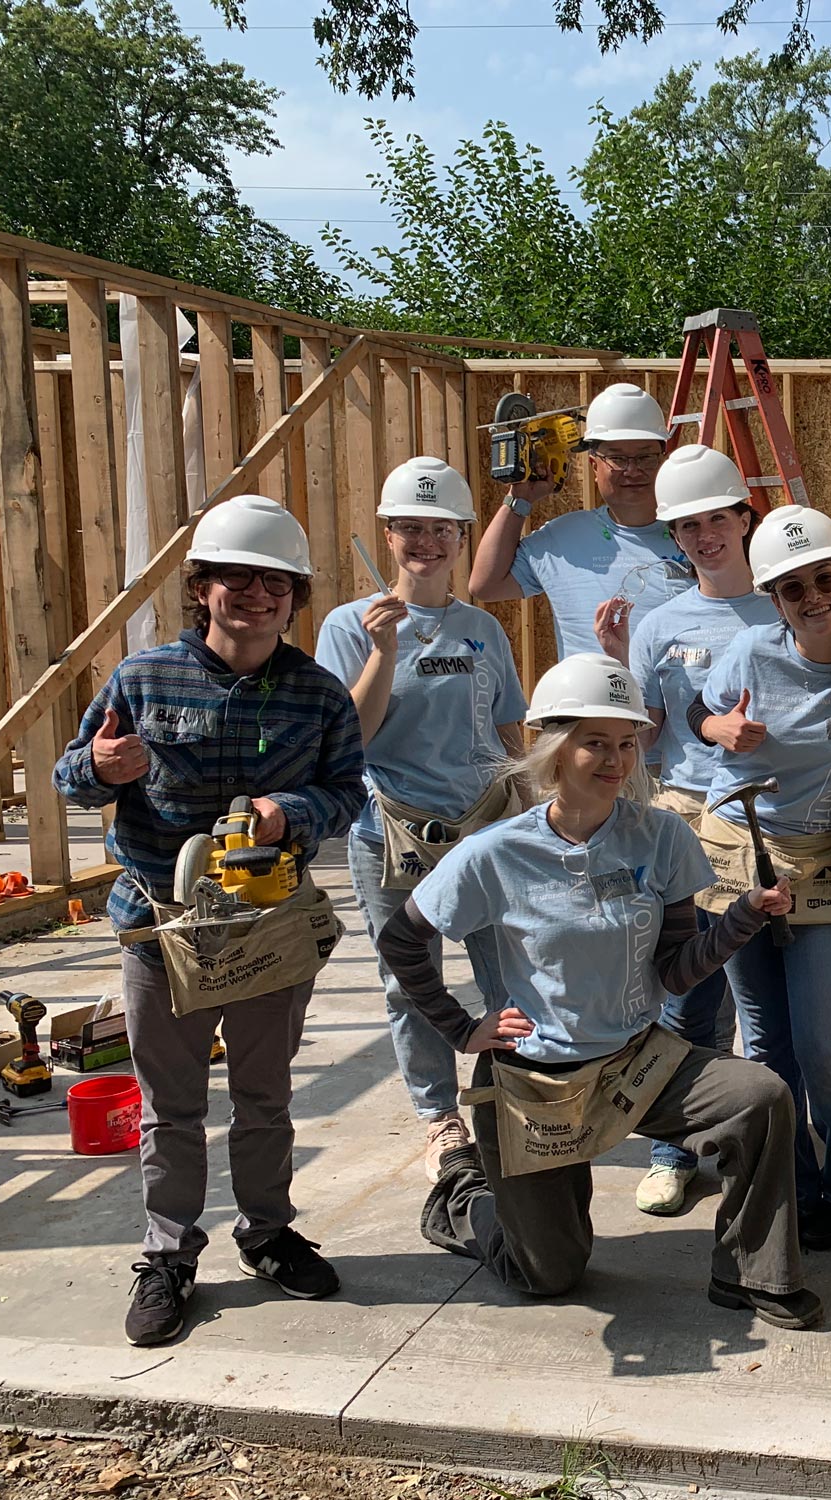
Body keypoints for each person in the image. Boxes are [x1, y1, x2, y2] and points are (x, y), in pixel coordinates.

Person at [373, 654, 820, 1328]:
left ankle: (751, 1274)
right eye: (595, 742)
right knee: (548, 1274)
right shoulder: (495, 852)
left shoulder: (660, 834)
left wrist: (744, 917)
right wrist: (463, 1029)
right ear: (552, 748)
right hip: (537, 1080)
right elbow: (401, 942)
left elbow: (673, 971)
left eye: (626, 742)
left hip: (637, 1061)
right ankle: (464, 1192)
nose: (617, 760)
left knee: (759, 1097)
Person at [53, 496, 366, 1348]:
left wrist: (291, 813)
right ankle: (167, 1253)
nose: (254, 595)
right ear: (202, 588)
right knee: (171, 1103)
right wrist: (101, 766)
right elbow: (69, 776)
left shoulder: (317, 692)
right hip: (161, 927)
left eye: (274, 582)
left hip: (266, 930)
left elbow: (349, 792)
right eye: (235, 578)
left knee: (264, 1095)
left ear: (295, 595)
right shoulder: (144, 678)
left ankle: (266, 1232)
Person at [314, 457, 527, 1184]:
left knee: (512, 969)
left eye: (440, 529)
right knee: (411, 980)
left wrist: (533, 815)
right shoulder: (353, 626)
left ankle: (512, 1089)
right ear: (388, 533)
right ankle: (441, 1116)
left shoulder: (481, 630)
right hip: (395, 837)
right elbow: (353, 737)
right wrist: (384, 650)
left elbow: (507, 735)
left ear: (462, 536)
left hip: (485, 830)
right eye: (409, 527)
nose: (424, 542)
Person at [596, 443, 776, 1217]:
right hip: (681, 824)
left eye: (716, 519)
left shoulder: (782, 606)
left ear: (745, 517)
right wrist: (618, 676)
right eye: (687, 527)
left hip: (766, 823)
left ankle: (749, 1145)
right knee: (683, 995)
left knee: (757, 999)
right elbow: (653, 730)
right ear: (673, 538)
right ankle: (670, 1151)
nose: (704, 537)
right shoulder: (661, 624)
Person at [697, 504, 831, 1254]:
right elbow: (702, 711)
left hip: (823, 867)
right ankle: (791, 1181)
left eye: (823, 579)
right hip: (740, 857)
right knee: (765, 1044)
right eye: (792, 589)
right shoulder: (753, 652)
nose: (811, 597)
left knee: (826, 1047)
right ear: (774, 600)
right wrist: (718, 729)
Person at [469, 382, 692, 661]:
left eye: (645, 457)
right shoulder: (564, 538)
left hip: (682, 705)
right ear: (593, 465)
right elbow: (485, 586)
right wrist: (519, 498)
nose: (632, 470)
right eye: (617, 458)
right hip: (589, 702)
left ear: (662, 460)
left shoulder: (696, 536)